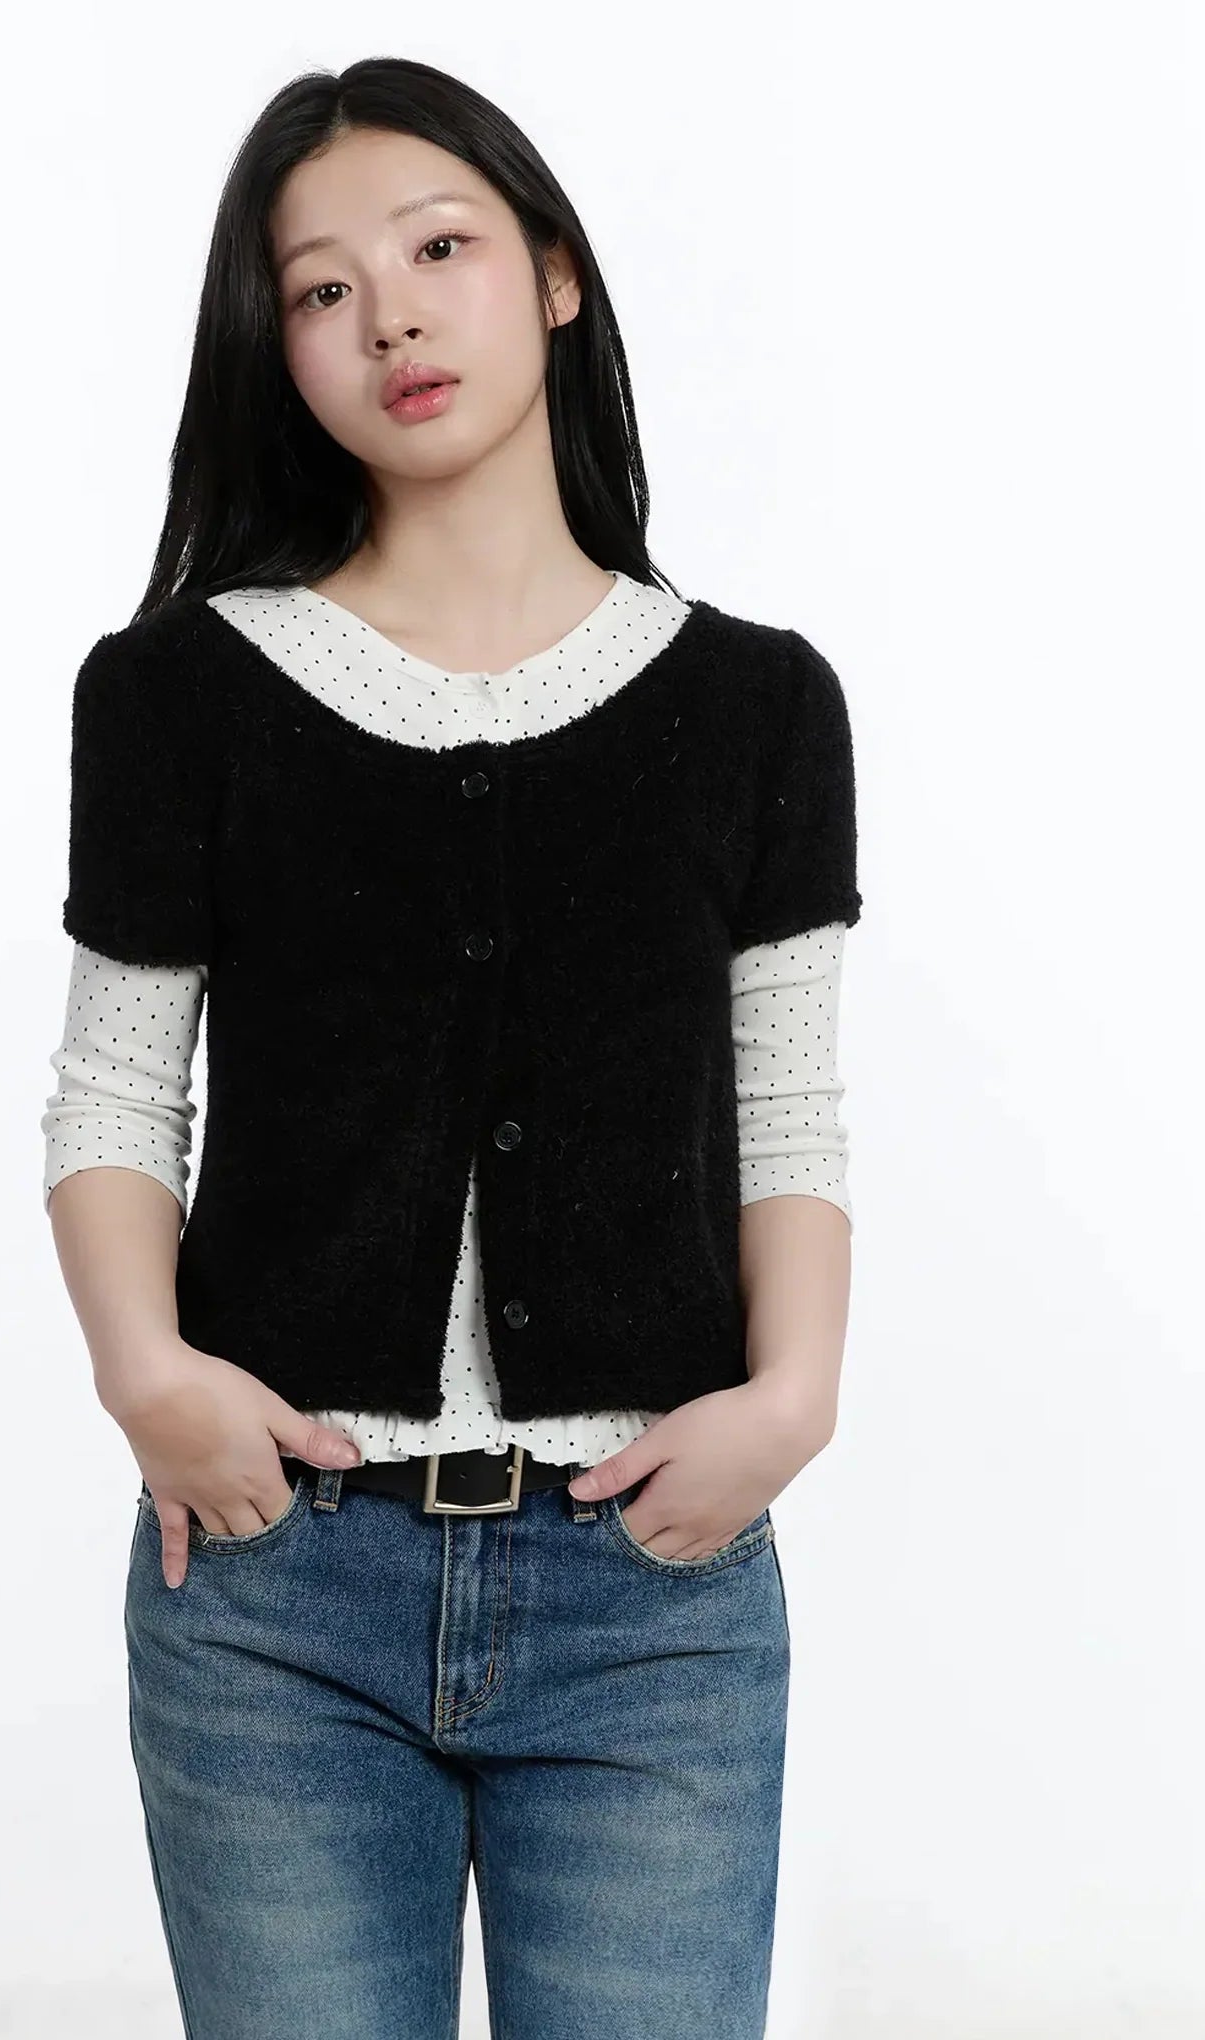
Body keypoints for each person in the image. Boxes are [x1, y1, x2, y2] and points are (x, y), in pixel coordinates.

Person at [42, 55, 862, 2040]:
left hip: (650, 1592)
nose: (389, 318)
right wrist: (147, 1375)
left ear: (555, 277)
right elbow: (117, 1090)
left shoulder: (757, 707)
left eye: (438, 251)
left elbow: (787, 1107)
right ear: (279, 349)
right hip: (274, 1588)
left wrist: (795, 1399)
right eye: (321, 289)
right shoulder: (176, 694)